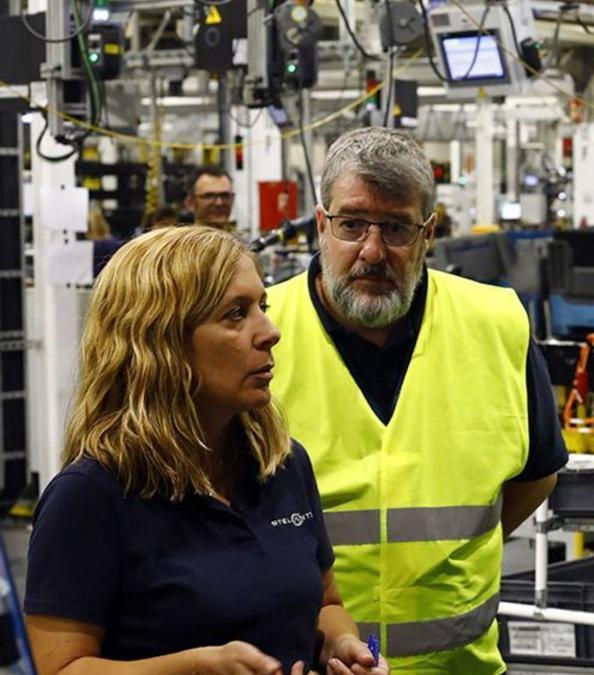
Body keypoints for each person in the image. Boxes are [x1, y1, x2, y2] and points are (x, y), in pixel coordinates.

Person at [266, 127, 567, 673]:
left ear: (428, 233)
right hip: (303, 662)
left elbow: (538, 472)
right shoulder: (260, 330)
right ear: (320, 225)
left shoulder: (496, 323)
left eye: (397, 228)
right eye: (352, 224)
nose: (373, 251)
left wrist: (448, 554)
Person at [24, 226, 386, 675]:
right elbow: (62, 669)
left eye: (262, 307)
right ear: (160, 342)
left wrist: (341, 644)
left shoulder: (284, 465)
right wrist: (194, 668)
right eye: (236, 314)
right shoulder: (89, 498)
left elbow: (324, 603)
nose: (270, 332)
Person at [185, 165, 236, 229]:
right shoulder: (179, 239)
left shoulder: (238, 238)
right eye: (209, 196)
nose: (219, 203)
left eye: (225, 195)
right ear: (190, 202)